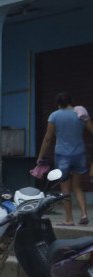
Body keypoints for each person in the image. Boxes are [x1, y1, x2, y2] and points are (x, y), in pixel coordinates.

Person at [36, 92, 93, 226]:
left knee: (65, 189)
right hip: (79, 154)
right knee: (77, 186)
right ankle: (84, 214)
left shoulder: (54, 116)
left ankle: (69, 219)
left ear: (58, 104)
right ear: (70, 101)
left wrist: (40, 157)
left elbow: (48, 138)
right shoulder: (80, 113)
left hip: (62, 156)